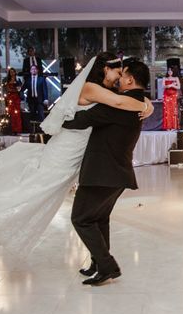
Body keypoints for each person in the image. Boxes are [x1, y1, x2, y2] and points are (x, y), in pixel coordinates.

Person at [0, 53, 154, 259]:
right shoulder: (90, 87)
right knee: (27, 193)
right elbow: (122, 103)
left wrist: (147, 103)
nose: (120, 77)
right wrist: (146, 105)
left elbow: (121, 102)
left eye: (122, 74)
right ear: (103, 68)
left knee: (32, 197)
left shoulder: (101, 90)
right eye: (117, 72)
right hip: (65, 153)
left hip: (71, 154)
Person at [63, 59, 150, 286]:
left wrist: (58, 115)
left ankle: (107, 265)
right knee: (99, 219)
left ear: (130, 79)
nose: (118, 78)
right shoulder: (138, 102)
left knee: (80, 218)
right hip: (116, 174)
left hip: (102, 173)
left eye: (122, 74)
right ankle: (97, 264)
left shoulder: (119, 105)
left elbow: (79, 121)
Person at [3, 67, 22, 134]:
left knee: (17, 114)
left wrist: (15, 90)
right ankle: (12, 129)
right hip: (10, 98)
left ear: (15, 72)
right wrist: (13, 90)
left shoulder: (18, 80)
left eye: (13, 72)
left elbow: (19, 89)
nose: (12, 73)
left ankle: (17, 129)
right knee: (11, 114)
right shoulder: (6, 80)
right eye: (10, 72)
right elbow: (7, 89)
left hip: (16, 98)